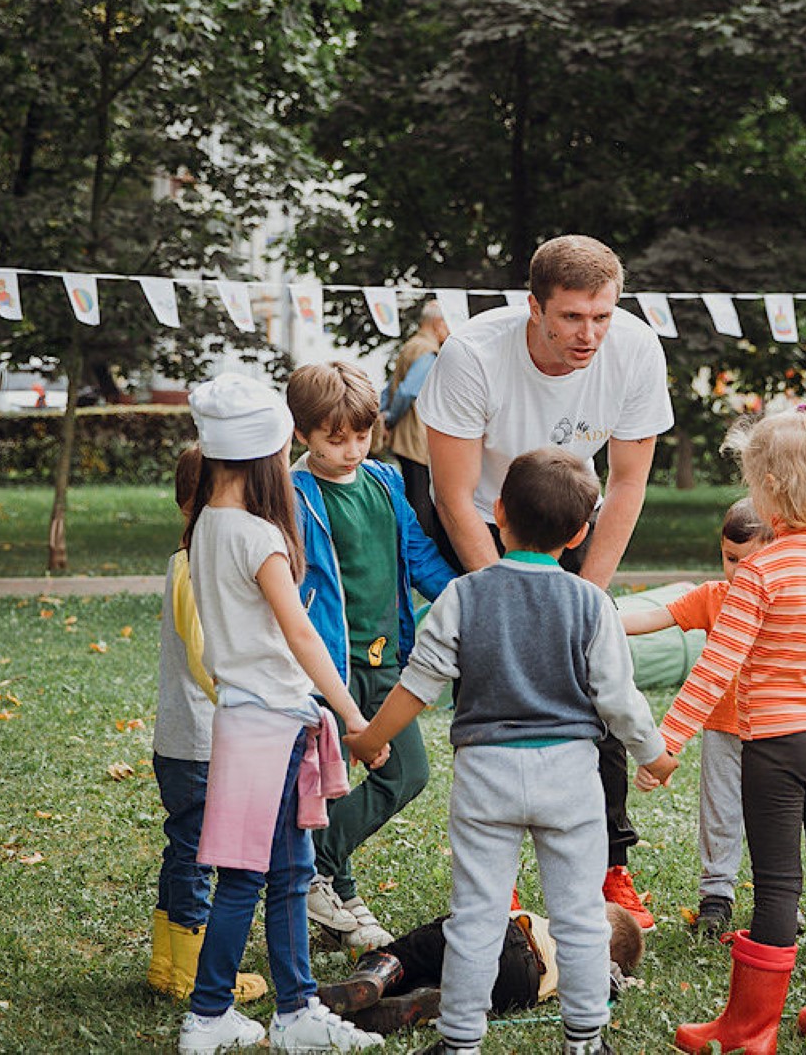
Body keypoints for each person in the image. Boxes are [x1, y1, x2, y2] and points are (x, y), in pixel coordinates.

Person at [346, 447, 675, 1055]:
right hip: (570, 779)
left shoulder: (463, 597)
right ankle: (584, 1039)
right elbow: (619, 698)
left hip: (486, 776)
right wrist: (653, 755)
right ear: (581, 533)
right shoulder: (592, 604)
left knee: (475, 917)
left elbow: (418, 684)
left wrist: (370, 738)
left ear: (497, 513)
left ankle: (461, 1042)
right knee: (579, 917)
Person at [415, 233, 675, 930]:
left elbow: (626, 485)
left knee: (596, 672)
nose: (588, 334)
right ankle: (492, 878)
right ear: (534, 307)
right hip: (482, 517)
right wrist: (508, 597)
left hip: (567, 508)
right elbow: (452, 493)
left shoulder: (636, 350)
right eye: (570, 318)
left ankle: (611, 867)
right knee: (494, 677)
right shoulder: (472, 354)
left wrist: (582, 600)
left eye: (601, 316)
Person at [652, 405, 806, 1053]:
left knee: (779, 882)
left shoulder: (760, 573)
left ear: (771, 488)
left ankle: (750, 1029)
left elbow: (715, 666)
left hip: (777, 747)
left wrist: (667, 741)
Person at [175, 373, 384, 1054]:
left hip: (252, 719)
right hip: (272, 724)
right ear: (270, 453)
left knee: (289, 874)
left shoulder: (207, 524)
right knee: (247, 879)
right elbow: (302, 634)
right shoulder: (258, 536)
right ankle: (208, 1016)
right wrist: (355, 718)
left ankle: (294, 1012)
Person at [287, 361, 458, 950]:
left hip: (389, 665)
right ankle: (338, 891)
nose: (352, 449)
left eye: (362, 435)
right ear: (304, 433)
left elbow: (419, 556)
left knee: (406, 772)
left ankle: (316, 863)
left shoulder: (385, 482)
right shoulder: (293, 493)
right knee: (330, 786)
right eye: (336, 439)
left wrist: (474, 595)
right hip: (326, 671)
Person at [619, 497, 773, 939]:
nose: (738, 572)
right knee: (720, 814)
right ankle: (716, 896)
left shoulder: (784, 601)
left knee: (775, 818)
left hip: (777, 734)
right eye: (730, 559)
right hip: (723, 730)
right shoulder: (713, 597)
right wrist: (601, 615)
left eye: (751, 561)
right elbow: (657, 616)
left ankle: (777, 897)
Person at [148, 446, 269, 1004]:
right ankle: (193, 973)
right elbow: (205, 653)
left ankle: (165, 963)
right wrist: (243, 694)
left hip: (176, 738)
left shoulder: (181, 556)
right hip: (203, 740)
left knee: (182, 849)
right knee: (200, 856)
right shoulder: (201, 562)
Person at [316, 903, 644, 1038]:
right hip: (522, 986)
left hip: (505, 936)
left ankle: (374, 977)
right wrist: (622, 980)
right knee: (453, 985)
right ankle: (422, 1001)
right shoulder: (592, 968)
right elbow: (610, 980)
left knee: (417, 951)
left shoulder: (563, 927)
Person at [382, 300, 453, 540]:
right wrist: (390, 418)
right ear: (439, 324)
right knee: (421, 499)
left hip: (405, 436)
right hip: (415, 436)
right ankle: (421, 553)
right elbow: (406, 390)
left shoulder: (410, 345)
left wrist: (384, 412)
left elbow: (390, 387)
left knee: (415, 495)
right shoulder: (427, 351)